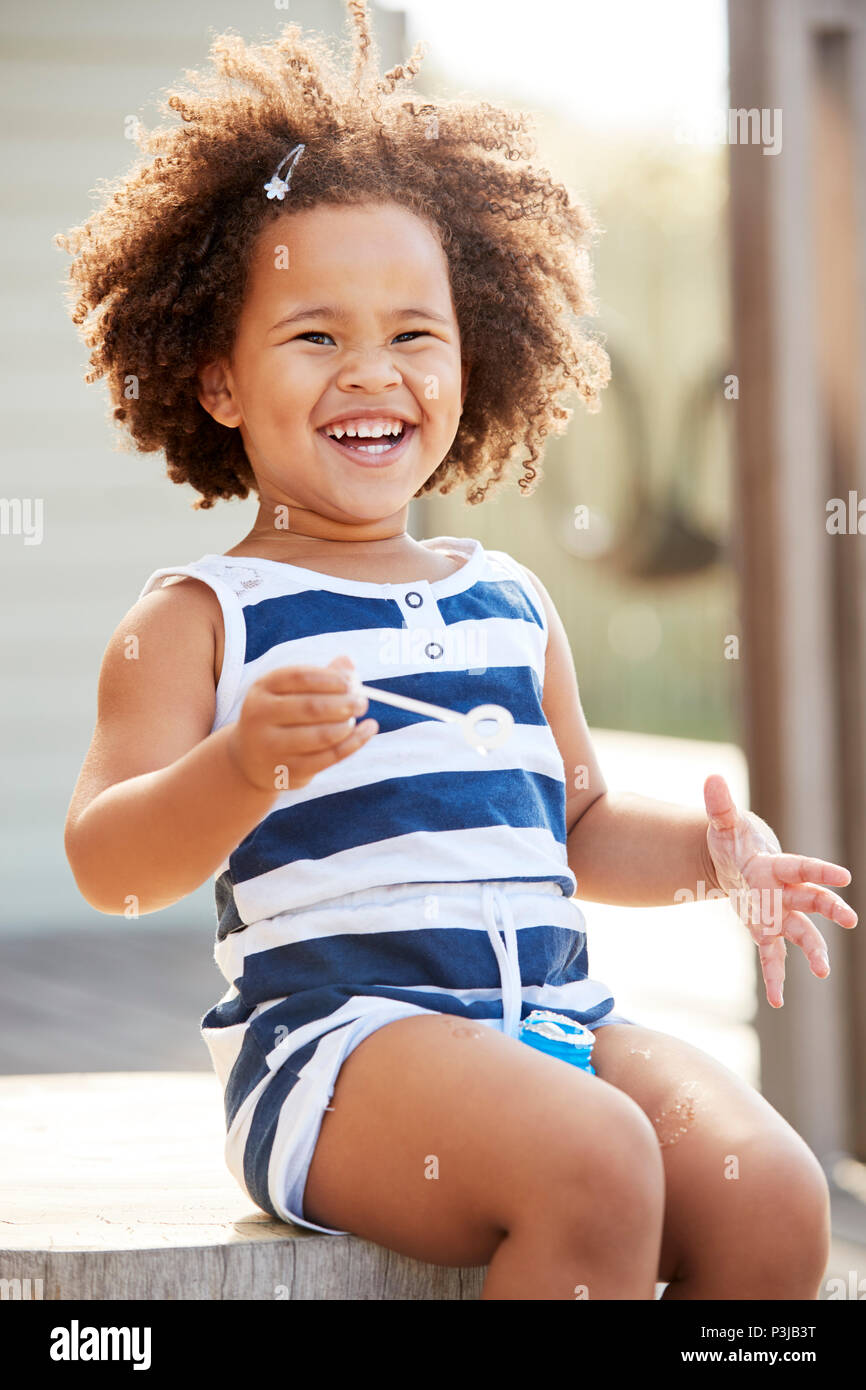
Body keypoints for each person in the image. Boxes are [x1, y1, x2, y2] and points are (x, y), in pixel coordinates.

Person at [58, 2, 856, 1300]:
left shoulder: (507, 597)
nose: (370, 371)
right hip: (335, 1054)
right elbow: (112, 868)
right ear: (215, 379)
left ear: (471, 355)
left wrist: (712, 857)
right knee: (594, 1163)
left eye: (412, 334)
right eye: (314, 335)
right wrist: (241, 768)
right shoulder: (202, 616)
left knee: (767, 1193)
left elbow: (578, 819)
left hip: (548, 1022)